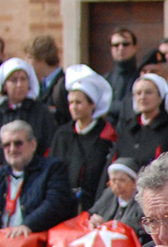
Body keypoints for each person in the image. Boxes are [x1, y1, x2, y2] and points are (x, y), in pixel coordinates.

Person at [0, 120, 68, 237]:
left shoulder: (52, 169)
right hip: (2, 246)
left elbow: (54, 204)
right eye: (7, 145)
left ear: (33, 145)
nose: (12, 149)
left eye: (18, 143)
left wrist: (27, 225)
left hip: (38, 243)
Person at [50, 66, 118, 213]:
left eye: (78, 102)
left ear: (92, 104)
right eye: (71, 102)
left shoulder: (106, 136)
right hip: (63, 205)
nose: (73, 107)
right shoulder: (62, 134)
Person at [0, 57, 57, 170]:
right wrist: (2, 176)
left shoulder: (41, 112)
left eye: (23, 79)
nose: (19, 84)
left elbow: (49, 149)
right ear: (4, 85)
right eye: (14, 80)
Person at [113, 72, 168, 172]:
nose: (142, 97)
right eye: (138, 93)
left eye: (148, 92)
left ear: (160, 98)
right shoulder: (128, 128)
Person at [89, 159, 144, 232]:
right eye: (113, 180)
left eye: (122, 180)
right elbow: (91, 213)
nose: (116, 185)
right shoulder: (109, 194)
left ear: (135, 183)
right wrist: (94, 220)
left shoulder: (142, 200)